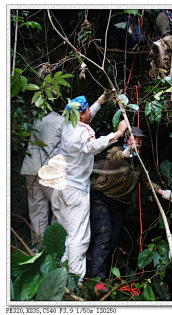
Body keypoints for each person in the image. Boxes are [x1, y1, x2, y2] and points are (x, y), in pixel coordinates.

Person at [51, 91, 128, 286]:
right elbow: (93, 146)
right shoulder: (79, 135)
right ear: (82, 114)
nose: (89, 114)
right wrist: (118, 134)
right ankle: (75, 283)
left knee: (69, 236)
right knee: (80, 238)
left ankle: (61, 277)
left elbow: (87, 114)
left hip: (60, 189)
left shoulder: (70, 124)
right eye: (87, 112)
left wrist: (101, 99)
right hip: (74, 192)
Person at [90, 127, 172, 293]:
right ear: (126, 140)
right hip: (102, 200)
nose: (137, 141)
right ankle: (97, 281)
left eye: (140, 139)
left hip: (120, 205)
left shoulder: (139, 163)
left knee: (113, 240)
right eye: (133, 138)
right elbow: (112, 158)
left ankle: (106, 278)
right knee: (105, 235)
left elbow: (147, 182)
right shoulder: (117, 151)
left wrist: (163, 193)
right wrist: (125, 153)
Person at [20, 111, 65, 248]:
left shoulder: (38, 120)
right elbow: (54, 148)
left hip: (31, 169)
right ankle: (55, 249)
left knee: (37, 211)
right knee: (60, 207)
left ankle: (37, 249)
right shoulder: (62, 122)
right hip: (48, 171)